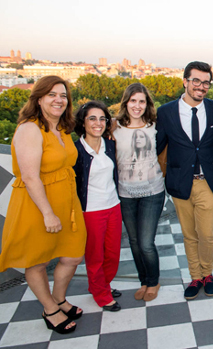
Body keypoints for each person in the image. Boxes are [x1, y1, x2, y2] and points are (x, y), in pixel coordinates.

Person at [0, 76, 86, 334]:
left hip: (67, 204)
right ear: (38, 99)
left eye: (63, 95)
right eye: (52, 95)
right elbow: (29, 176)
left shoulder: (61, 128)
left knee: (72, 255)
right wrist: (48, 213)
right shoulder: (29, 129)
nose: (59, 100)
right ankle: (50, 308)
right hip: (37, 206)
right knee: (36, 261)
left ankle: (59, 298)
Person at [156, 61, 213, 300]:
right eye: (196, 81)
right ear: (185, 81)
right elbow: (157, 146)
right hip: (180, 181)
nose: (201, 86)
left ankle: (207, 273)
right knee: (189, 234)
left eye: (205, 82)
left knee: (207, 233)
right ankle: (196, 276)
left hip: (209, 181)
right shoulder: (165, 112)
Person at [113, 83, 165, 302]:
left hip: (152, 191)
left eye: (141, 101)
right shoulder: (114, 127)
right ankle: (143, 281)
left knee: (146, 242)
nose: (137, 105)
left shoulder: (155, 126)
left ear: (147, 104)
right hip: (125, 193)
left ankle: (153, 282)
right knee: (134, 242)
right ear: (126, 102)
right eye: (133, 101)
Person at [73, 101, 123, 311]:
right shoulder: (76, 150)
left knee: (112, 253)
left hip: (114, 205)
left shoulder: (109, 145)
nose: (98, 123)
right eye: (92, 118)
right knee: (95, 255)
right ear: (83, 123)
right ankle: (100, 294)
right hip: (91, 211)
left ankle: (104, 284)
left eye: (102, 118)